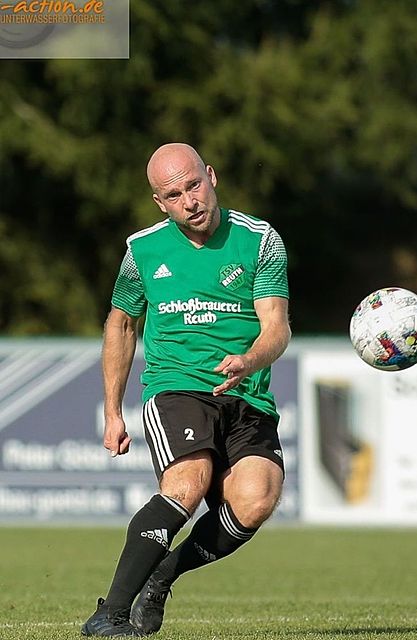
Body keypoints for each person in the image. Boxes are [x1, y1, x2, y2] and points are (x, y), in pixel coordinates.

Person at [81, 143, 291, 637]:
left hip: (246, 392)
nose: (189, 201)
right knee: (187, 484)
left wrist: (249, 360)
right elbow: (121, 325)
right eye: (174, 195)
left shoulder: (260, 240)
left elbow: (276, 327)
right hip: (176, 386)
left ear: (211, 176)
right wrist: (112, 411)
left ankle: (163, 574)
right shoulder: (142, 251)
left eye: (194, 185)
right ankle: (109, 614)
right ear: (160, 203)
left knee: (257, 499)